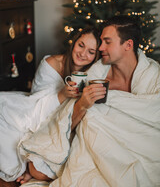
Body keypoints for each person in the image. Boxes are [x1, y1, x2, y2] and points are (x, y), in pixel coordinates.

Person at [20, 15, 160, 187]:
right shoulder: (96, 74)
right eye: (101, 42)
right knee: (36, 169)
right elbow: (67, 121)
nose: (100, 48)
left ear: (128, 45)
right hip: (95, 147)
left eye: (107, 42)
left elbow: (153, 119)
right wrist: (82, 104)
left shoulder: (153, 77)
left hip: (140, 147)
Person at [0, 26, 101, 184]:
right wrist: (62, 95)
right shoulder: (51, 63)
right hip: (39, 117)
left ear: (96, 56)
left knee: (40, 169)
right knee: (5, 115)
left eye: (91, 51)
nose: (83, 54)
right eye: (81, 45)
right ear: (74, 43)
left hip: (67, 125)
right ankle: (24, 166)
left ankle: (31, 169)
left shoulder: (95, 72)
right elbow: (35, 103)